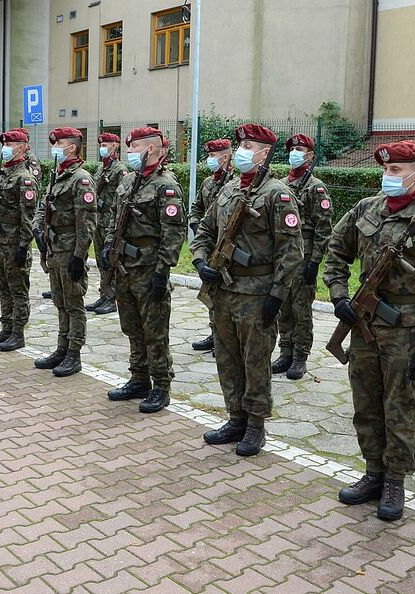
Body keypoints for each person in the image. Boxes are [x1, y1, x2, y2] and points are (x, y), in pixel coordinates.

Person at [323, 140, 415, 521]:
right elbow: (335, 250)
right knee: (365, 403)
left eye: (396, 171)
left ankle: (395, 481)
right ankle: (373, 472)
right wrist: (338, 296)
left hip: (407, 332)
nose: (387, 177)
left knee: (399, 408)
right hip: (364, 326)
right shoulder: (366, 209)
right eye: (385, 171)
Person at [191, 124, 304, 456]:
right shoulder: (227, 190)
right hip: (223, 289)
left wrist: (277, 296)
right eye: (240, 144)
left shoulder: (277, 194)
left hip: (256, 292)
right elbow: (205, 230)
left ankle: (256, 424)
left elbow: (291, 251)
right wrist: (200, 263)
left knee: (255, 360)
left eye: (249, 146)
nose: (242, 151)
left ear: (265, 153)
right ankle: (235, 417)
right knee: (227, 357)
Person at [101, 128, 186, 413]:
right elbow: (115, 219)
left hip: (149, 268)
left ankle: (161, 385)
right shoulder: (127, 182)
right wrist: (108, 246)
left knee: (154, 331)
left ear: (152, 150)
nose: (130, 153)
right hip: (125, 266)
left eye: (135, 147)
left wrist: (163, 271)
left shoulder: (166, 185)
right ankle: (139, 378)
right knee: (132, 327)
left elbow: (173, 233)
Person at [32, 128, 97, 376]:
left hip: (70, 250)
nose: (55, 147)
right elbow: (43, 206)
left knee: (73, 303)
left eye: (59, 143)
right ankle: (62, 347)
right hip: (54, 247)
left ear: (71, 148)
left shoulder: (81, 179)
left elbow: (86, 223)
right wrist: (38, 232)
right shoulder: (57, 175)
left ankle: (74, 353)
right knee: (60, 301)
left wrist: (79, 257)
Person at [272, 134, 333, 379]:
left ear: (309, 155)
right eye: (292, 149)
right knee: (283, 306)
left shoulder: (315, 186)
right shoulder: (281, 183)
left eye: (300, 149)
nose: (295, 153)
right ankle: (285, 351)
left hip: (304, 255)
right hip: (282, 255)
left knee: (300, 309)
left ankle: (300, 356)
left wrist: (315, 261)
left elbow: (323, 227)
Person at [0, 129, 39, 351]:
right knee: (3, 287)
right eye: (4, 143)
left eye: (10, 144)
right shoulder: (1, 173)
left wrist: (24, 246)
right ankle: (6, 327)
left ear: (21, 147)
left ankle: (18, 332)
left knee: (17, 289)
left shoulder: (24, 178)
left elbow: (27, 218)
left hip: (14, 242)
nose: (5, 148)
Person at [189, 138, 233, 353]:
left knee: (224, 293)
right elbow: (196, 208)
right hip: (210, 246)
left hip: (228, 248)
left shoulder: (236, 181)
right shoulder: (208, 182)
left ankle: (224, 337)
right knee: (210, 290)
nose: (210, 160)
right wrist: (198, 227)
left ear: (225, 157)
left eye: (213, 156)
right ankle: (214, 332)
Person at [86, 132, 126, 316]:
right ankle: (104, 294)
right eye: (101, 144)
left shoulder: (119, 170)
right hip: (98, 221)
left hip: (110, 222)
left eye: (106, 144)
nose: (103, 147)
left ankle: (111, 298)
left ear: (115, 146)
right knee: (102, 261)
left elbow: (121, 198)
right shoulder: (102, 169)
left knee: (110, 260)